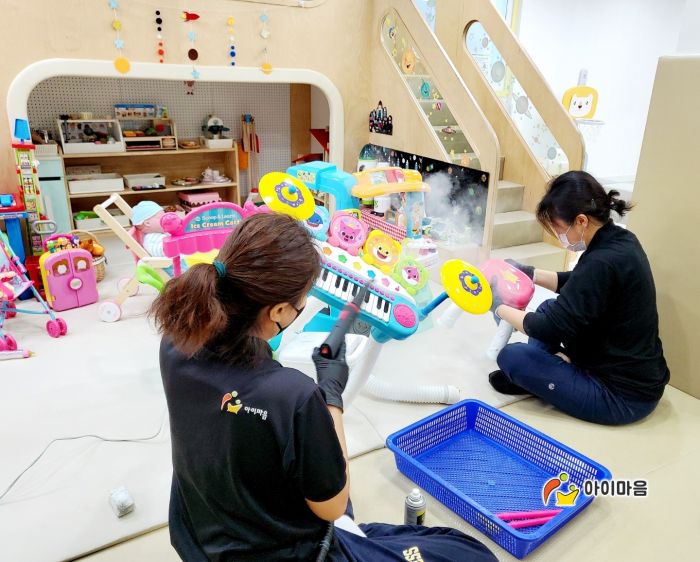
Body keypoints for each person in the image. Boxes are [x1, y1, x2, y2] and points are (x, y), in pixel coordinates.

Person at [151, 213, 496, 561]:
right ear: (279, 311)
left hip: (200, 534)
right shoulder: (293, 395)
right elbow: (332, 507)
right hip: (281, 553)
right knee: (470, 553)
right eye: (302, 300)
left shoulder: (175, 343)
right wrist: (330, 397)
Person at [489, 171, 670, 425]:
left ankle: (547, 376)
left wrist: (498, 306)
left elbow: (547, 328)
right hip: (626, 367)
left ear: (581, 221)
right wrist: (530, 273)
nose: (558, 235)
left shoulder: (602, 261)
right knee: (548, 306)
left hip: (622, 396)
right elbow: (578, 283)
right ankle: (550, 372)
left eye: (559, 228)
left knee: (512, 357)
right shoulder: (620, 240)